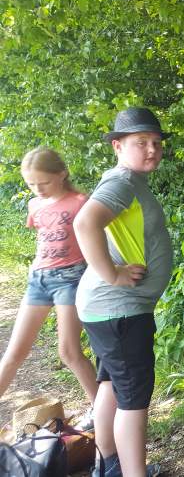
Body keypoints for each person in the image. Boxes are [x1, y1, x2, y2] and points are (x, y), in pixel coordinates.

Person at [73, 108, 173, 477]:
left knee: (112, 383)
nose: (152, 149)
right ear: (117, 146)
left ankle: (108, 464)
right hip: (120, 309)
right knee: (133, 400)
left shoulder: (130, 181)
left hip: (109, 310)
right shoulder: (122, 183)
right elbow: (85, 223)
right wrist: (111, 273)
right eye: (141, 142)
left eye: (156, 143)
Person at [0, 148, 98, 425]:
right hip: (39, 281)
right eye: (31, 184)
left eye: (43, 182)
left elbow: (97, 239)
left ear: (62, 174)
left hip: (71, 279)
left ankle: (99, 411)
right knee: (13, 353)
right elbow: (44, 240)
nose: (37, 189)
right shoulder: (35, 205)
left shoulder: (80, 202)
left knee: (68, 352)